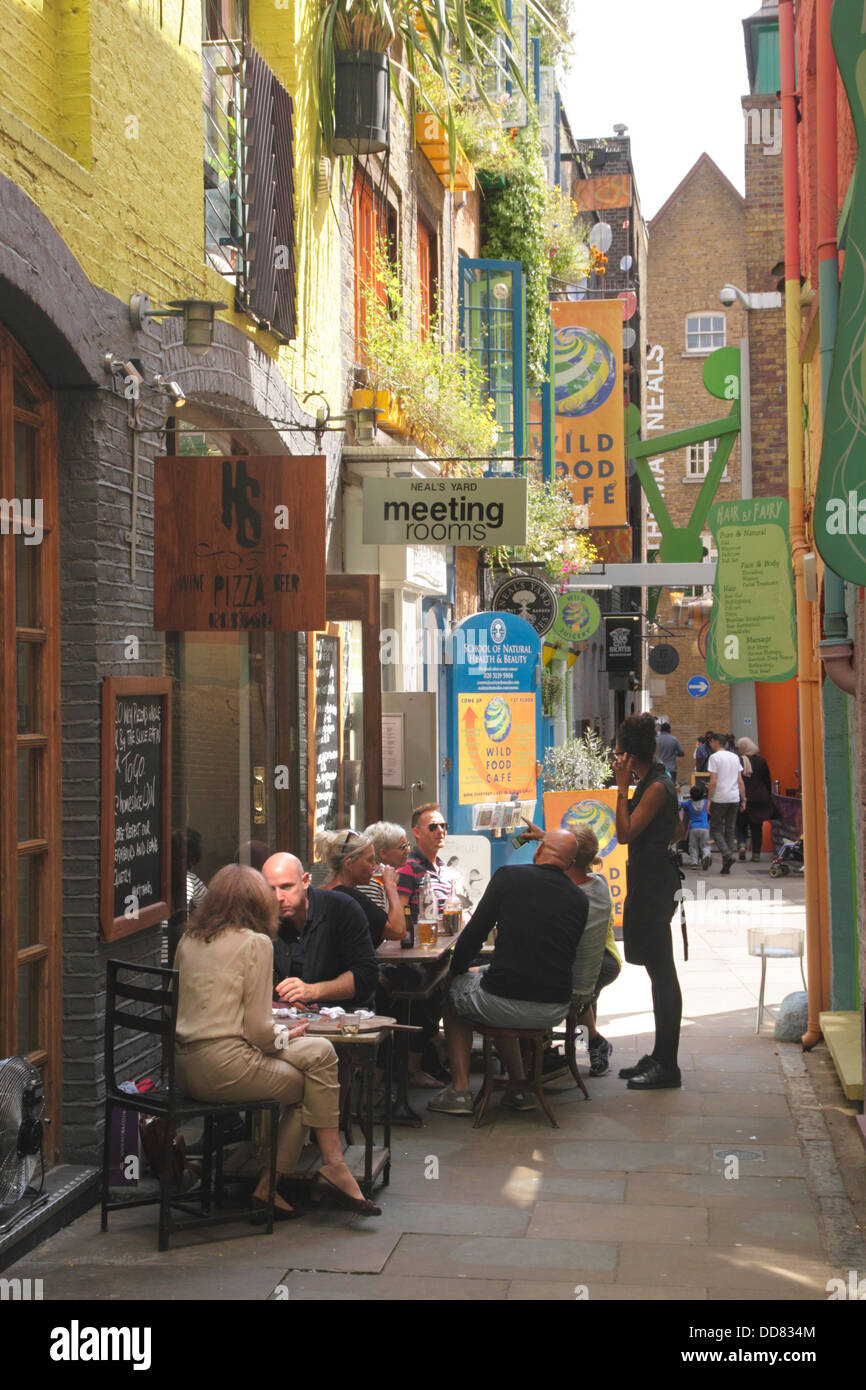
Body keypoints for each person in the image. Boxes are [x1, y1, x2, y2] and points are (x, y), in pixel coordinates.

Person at [173, 864, 380, 1218]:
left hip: (184, 1066)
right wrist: (283, 1036)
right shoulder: (256, 943)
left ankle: (323, 1166)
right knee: (309, 1085)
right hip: (227, 1067)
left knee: (319, 1051)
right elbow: (258, 1032)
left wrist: (283, 1038)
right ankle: (275, 1184)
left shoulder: (188, 940)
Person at [428, 831, 587, 1116]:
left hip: (504, 1000)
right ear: (570, 863)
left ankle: (460, 1091)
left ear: (539, 850)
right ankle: (519, 1086)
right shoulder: (579, 898)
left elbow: (474, 935)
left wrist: (455, 971)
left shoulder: (509, 877)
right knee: (492, 990)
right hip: (554, 1009)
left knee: (455, 993)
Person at [614, 712, 684, 1091]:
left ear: (629, 756)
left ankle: (668, 1065)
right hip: (651, 880)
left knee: (662, 973)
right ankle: (660, 1056)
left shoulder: (655, 786)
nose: (615, 762)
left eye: (618, 756)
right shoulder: (656, 782)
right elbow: (675, 829)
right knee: (657, 971)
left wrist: (622, 787)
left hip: (655, 885)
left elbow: (624, 834)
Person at [262, 852, 379, 1010]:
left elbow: (366, 976)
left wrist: (312, 991)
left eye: (286, 887)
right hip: (292, 1018)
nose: (278, 897)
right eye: (270, 890)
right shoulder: (266, 919)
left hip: (346, 1018)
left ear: (304, 881)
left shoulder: (341, 908)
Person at [317, 828, 405, 946]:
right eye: (370, 860)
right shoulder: (348, 898)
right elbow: (398, 931)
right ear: (348, 863)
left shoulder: (320, 892)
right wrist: (391, 885)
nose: (375, 866)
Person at [397, 804, 457, 919]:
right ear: (417, 832)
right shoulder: (408, 868)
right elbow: (400, 917)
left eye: (443, 826)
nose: (440, 831)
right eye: (433, 827)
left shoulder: (446, 871)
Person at [706, 732, 746, 875]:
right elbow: (740, 781)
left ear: (717, 742)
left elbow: (713, 781)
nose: (710, 744)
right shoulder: (735, 757)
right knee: (729, 830)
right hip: (734, 798)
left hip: (719, 798)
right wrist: (744, 799)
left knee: (715, 828)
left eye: (711, 742)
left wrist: (709, 800)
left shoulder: (714, 758)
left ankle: (727, 854)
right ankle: (726, 865)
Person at [736, 738, 775, 862]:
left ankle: (742, 844)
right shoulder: (762, 761)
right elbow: (767, 780)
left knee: (740, 824)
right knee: (756, 827)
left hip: (743, 797)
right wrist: (768, 795)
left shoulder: (739, 761)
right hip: (759, 798)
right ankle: (756, 854)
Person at [360, 822, 411, 911]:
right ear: (383, 853)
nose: (408, 851)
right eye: (403, 847)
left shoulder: (386, 878)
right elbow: (385, 924)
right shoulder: (372, 881)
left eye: (408, 845)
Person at [683, 783, 712, 870]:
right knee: (705, 845)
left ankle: (694, 863)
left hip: (693, 828)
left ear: (691, 795)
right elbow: (712, 799)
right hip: (705, 828)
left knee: (693, 846)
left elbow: (680, 804)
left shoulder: (688, 803)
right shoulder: (706, 802)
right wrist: (709, 789)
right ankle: (706, 855)